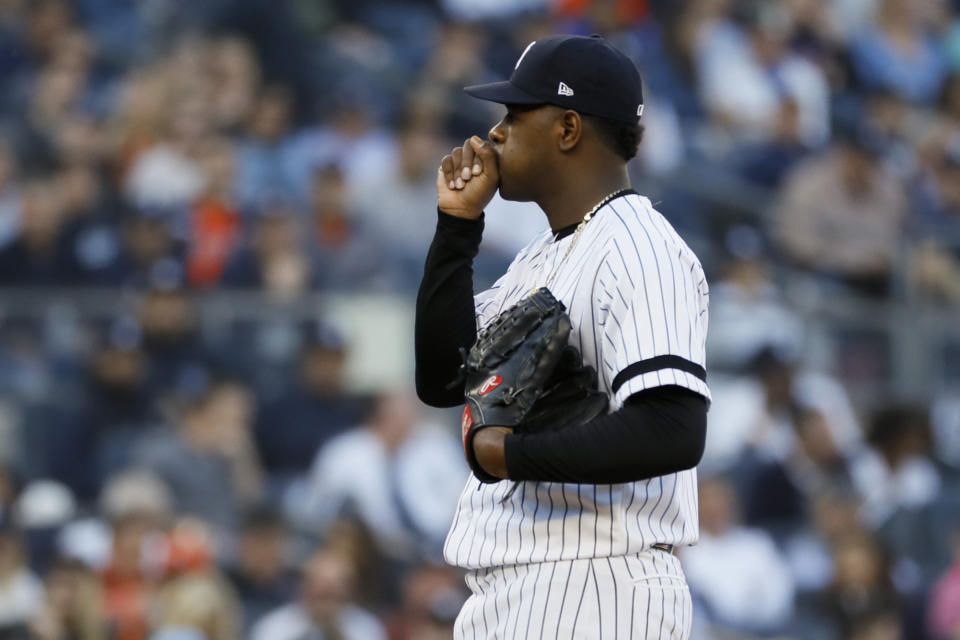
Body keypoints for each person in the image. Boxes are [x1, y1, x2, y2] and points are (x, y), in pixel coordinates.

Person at [415, 34, 710, 639]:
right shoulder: (540, 258)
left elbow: (673, 428)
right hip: (523, 589)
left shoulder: (641, 247)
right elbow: (444, 378)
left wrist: (510, 455)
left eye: (515, 115)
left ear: (568, 128)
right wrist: (457, 229)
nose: (495, 133)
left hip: (597, 585)